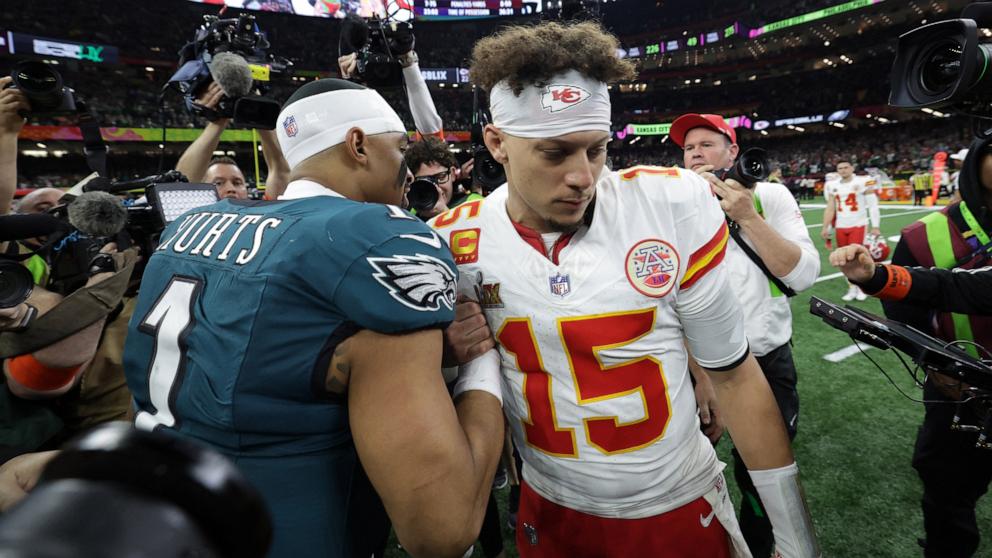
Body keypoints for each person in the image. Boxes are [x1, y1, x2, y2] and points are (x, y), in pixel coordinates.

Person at [435, 21, 819, 558]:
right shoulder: (455, 239)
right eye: (554, 153)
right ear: (497, 142)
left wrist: (796, 539)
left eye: (595, 150)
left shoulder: (672, 204)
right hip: (548, 506)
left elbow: (734, 375)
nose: (583, 177)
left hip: (678, 502)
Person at [123, 78, 504, 558]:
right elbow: (441, 532)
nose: (407, 169)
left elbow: (260, 352)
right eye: (401, 148)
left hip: (156, 519)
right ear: (358, 144)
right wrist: (479, 361)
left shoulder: (188, 225)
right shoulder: (379, 236)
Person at [670, 112, 820, 558]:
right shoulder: (671, 203)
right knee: (687, 467)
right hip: (695, 364)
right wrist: (698, 377)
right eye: (688, 146)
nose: (695, 152)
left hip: (766, 357)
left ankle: (764, 544)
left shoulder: (768, 194)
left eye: (707, 144)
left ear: (733, 152)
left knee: (761, 470)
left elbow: (805, 274)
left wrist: (746, 216)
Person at [871, 138, 992, 558]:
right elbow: (899, 304)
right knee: (946, 489)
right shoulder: (926, 233)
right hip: (959, 387)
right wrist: (931, 360)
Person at [174, 82, 291, 200]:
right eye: (218, 183)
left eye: (237, 183)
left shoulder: (261, 213)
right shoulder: (197, 215)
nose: (231, 189)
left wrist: (259, 110)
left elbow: (281, 171)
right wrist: (218, 119)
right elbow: (184, 182)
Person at [821, 160, 880, 301]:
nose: (843, 170)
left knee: (858, 257)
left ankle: (862, 287)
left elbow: (873, 205)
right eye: (840, 168)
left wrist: (876, 225)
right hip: (841, 226)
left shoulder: (866, 180)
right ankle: (852, 287)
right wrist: (826, 226)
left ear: (852, 168)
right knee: (844, 259)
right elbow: (830, 208)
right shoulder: (831, 185)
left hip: (858, 224)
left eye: (846, 167)